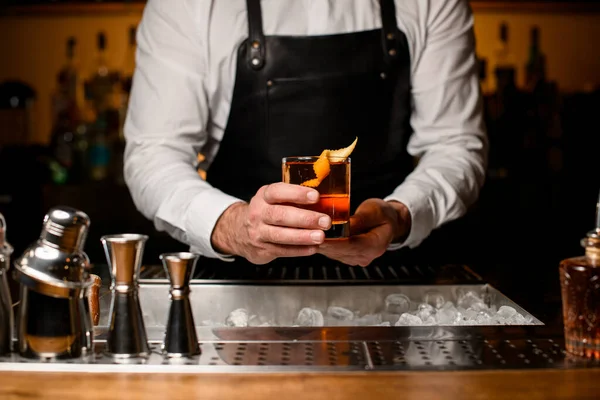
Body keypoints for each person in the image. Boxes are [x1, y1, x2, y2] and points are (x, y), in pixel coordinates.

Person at [124, 0, 487, 268]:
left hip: (393, 276)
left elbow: (455, 145)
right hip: (238, 287)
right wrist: (234, 226)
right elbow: (153, 154)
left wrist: (401, 214)